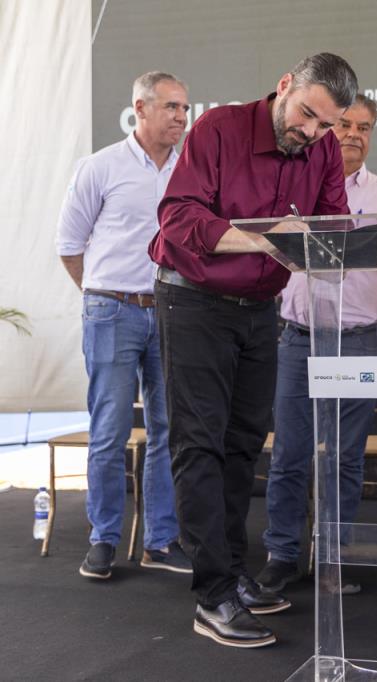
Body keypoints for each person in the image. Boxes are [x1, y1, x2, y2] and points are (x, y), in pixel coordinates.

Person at [149, 53, 357, 648]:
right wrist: (266, 239)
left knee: (243, 446)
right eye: (306, 115)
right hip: (193, 302)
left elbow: (334, 224)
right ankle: (212, 596)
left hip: (260, 309)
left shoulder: (322, 148)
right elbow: (179, 217)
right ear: (285, 86)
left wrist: (358, 239)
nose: (312, 132)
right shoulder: (219, 128)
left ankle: (234, 574)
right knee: (199, 444)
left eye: (326, 124)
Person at [256, 94, 377, 595]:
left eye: (364, 127)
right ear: (325, 129)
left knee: (345, 458)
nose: (354, 135)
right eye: (344, 126)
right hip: (300, 342)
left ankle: (332, 557)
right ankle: (281, 554)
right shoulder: (294, 184)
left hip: (362, 342)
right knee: (290, 454)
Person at [56, 72, 192, 580]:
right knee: (110, 429)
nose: (182, 116)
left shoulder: (191, 171)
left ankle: (160, 541)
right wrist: (100, 294)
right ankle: (103, 540)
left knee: (167, 430)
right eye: (172, 106)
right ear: (141, 107)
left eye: (185, 108)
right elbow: (69, 245)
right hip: (111, 311)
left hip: (171, 310)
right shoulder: (100, 166)